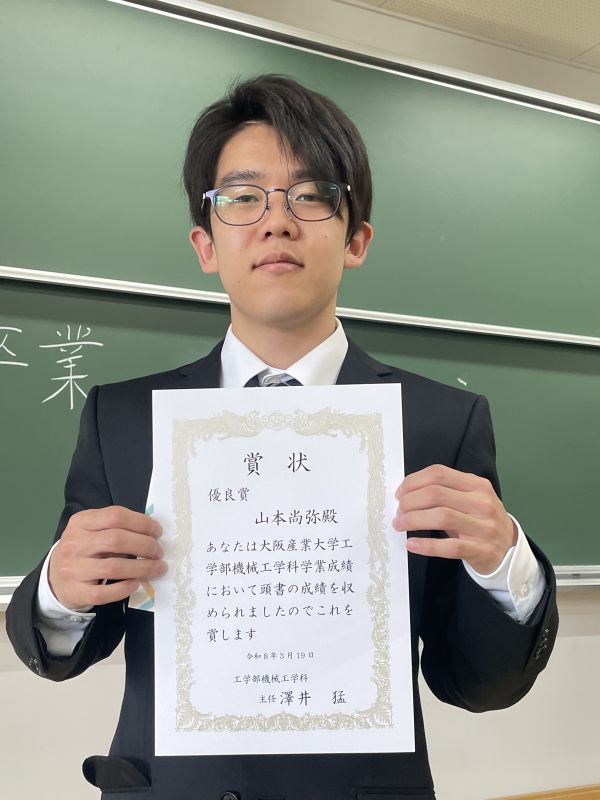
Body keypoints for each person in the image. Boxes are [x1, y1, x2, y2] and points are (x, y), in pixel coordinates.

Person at [7, 74, 558, 800]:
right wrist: (60, 588)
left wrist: (506, 563)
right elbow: (67, 652)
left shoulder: (438, 423)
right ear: (205, 244)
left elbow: (477, 681)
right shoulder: (125, 419)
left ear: (356, 239)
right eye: (243, 197)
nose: (276, 222)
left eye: (310, 194)